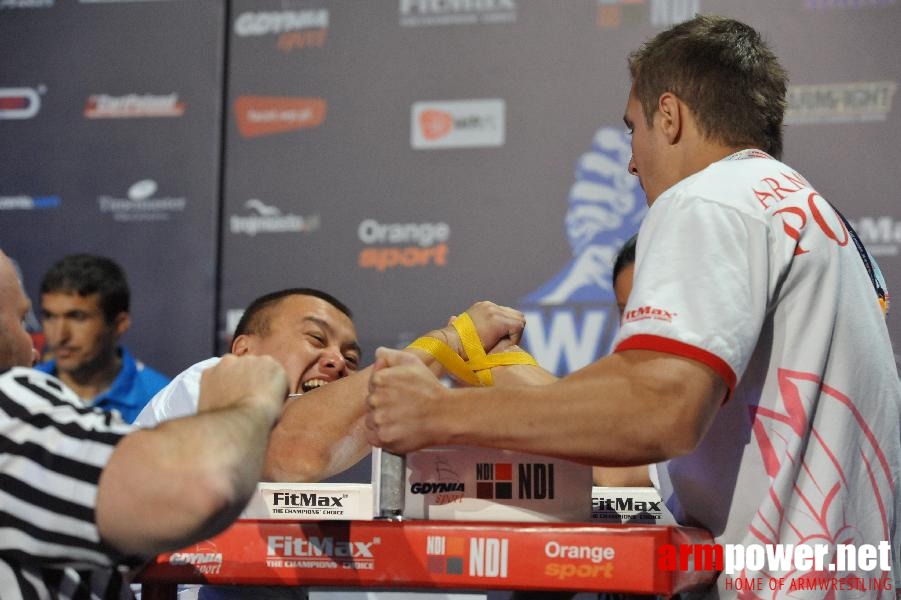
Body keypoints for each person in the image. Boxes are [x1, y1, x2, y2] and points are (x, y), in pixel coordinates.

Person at [364, 15, 901, 598]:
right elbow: (689, 422)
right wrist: (506, 372)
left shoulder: (707, 198)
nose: (631, 162)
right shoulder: (812, 215)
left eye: (632, 130)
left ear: (668, 117)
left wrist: (436, 414)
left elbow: (660, 408)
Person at [0, 248, 289, 598]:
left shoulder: (153, 391)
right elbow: (199, 487)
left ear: (118, 324)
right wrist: (253, 400)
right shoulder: (9, 404)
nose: (42, 343)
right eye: (24, 320)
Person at [36, 253, 170, 422]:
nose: (60, 336)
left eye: (77, 317)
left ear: (119, 324)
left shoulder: (162, 401)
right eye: (50, 317)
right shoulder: (19, 393)